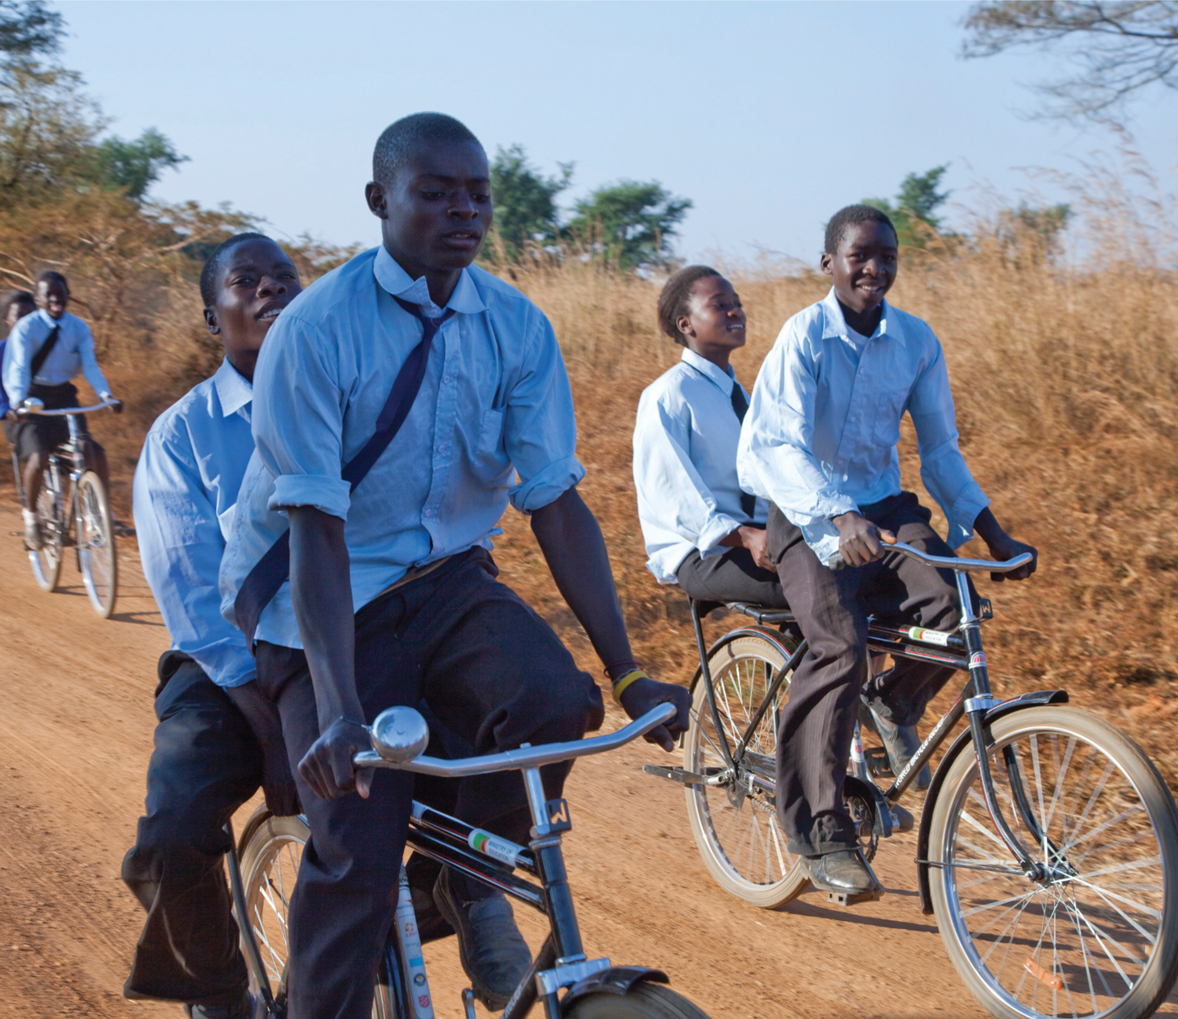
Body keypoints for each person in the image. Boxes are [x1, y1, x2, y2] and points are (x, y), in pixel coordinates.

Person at [219, 112, 689, 1019]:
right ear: (379, 201)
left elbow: (552, 498)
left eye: (477, 193)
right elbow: (316, 528)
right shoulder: (315, 332)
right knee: (356, 838)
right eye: (434, 192)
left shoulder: (514, 325)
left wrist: (629, 674)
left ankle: (459, 880)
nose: (462, 210)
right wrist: (344, 710)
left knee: (555, 703)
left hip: (443, 584)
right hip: (316, 600)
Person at [737, 204, 1037, 899]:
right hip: (809, 511)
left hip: (883, 508)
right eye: (859, 256)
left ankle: (892, 703)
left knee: (954, 607)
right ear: (829, 264)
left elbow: (939, 450)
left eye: (887, 256)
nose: (875, 268)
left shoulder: (915, 340)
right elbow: (770, 448)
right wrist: (837, 515)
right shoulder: (804, 335)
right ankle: (820, 829)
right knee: (838, 645)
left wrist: (995, 534)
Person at [123, 233, 304, 1019]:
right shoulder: (181, 436)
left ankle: (474, 914)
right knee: (175, 834)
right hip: (229, 668)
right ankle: (222, 996)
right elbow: (196, 601)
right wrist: (269, 719)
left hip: (357, 640)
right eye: (247, 279)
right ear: (211, 315)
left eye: (286, 277)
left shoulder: (357, 407)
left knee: (489, 759)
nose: (271, 288)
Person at [632, 265, 785, 609]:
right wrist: (746, 537)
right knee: (820, 591)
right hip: (705, 552)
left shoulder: (741, 395)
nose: (736, 311)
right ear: (685, 324)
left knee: (856, 571)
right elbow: (674, 497)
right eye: (719, 305)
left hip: (758, 538)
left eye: (738, 302)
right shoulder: (668, 395)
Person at [2, 270, 123, 550]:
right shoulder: (26, 328)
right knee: (39, 455)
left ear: (68, 295)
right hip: (32, 395)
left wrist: (106, 395)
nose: (56, 299)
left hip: (64, 394)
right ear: (39, 299)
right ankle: (32, 519)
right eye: (49, 295)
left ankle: (100, 516)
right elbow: (18, 368)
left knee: (91, 450)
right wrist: (19, 402)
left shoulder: (78, 327)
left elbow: (90, 365)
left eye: (61, 293)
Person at [0, 289, 36, 421]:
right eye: (19, 316)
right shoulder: (1, 350)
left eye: (31, 316)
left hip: (52, 412)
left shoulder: (49, 347)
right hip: (18, 417)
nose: (26, 322)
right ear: (7, 319)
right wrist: (5, 410)